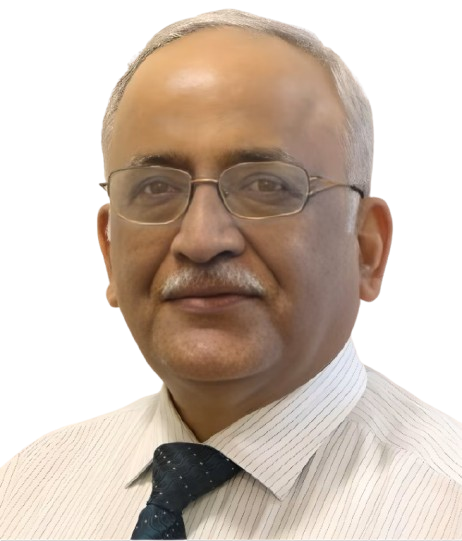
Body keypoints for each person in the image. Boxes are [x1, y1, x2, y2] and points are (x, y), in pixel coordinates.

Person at [1, 8, 460, 541]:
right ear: (108, 248)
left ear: (367, 248)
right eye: (155, 188)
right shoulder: (23, 490)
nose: (201, 240)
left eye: (266, 185)